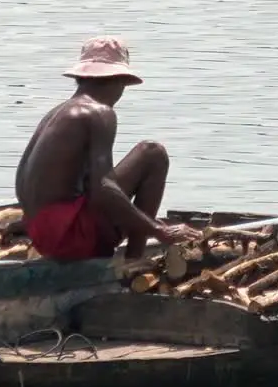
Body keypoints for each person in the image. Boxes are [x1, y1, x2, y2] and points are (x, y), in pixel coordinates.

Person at [15, 36, 197, 261]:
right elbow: (103, 189)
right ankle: (134, 260)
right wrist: (158, 230)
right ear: (118, 79)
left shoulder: (57, 112)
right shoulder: (99, 112)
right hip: (71, 239)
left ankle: (132, 254)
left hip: (42, 236)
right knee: (153, 153)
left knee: (131, 172)